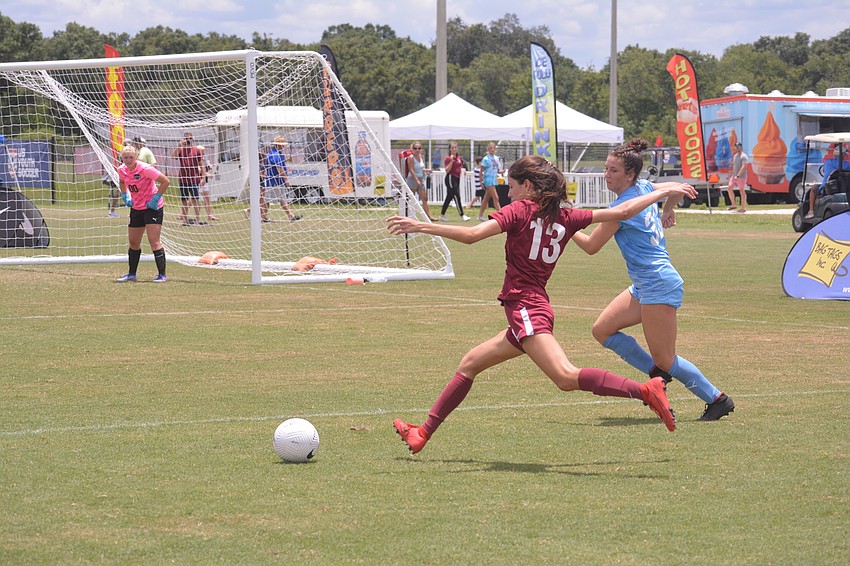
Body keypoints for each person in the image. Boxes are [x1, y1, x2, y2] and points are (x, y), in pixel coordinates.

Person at [388, 155, 700, 454]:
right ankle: (422, 433)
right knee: (470, 363)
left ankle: (645, 390)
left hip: (525, 306)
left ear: (527, 186)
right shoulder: (565, 215)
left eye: (511, 187)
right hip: (532, 306)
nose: (508, 194)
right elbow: (621, 212)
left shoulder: (521, 210)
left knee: (565, 377)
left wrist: (423, 226)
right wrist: (664, 191)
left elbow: (472, 235)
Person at [570, 138, 735, 421]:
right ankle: (657, 376)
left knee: (666, 358)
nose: (607, 175)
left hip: (658, 283)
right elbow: (679, 188)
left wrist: (566, 223)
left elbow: (590, 247)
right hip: (645, 284)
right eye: (606, 169)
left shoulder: (622, 208)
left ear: (630, 175)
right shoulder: (643, 189)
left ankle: (718, 399)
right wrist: (669, 207)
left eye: (613, 171)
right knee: (602, 330)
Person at [115, 144, 170, 283]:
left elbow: (165, 181)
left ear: (136, 157)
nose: (128, 160)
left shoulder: (145, 168)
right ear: (122, 158)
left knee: (154, 241)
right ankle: (131, 274)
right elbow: (122, 181)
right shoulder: (121, 169)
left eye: (131, 157)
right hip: (136, 207)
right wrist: (125, 195)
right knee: (133, 242)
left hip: (152, 207)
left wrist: (155, 198)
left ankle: (162, 275)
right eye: (125, 157)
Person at [261, 136, 302, 222]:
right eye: (281, 145)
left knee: (278, 199)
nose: (283, 147)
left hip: (271, 180)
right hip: (276, 181)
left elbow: (268, 166)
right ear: (278, 145)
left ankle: (290, 216)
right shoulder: (277, 155)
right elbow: (279, 169)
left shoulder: (270, 153)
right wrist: (286, 179)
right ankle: (261, 216)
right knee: (269, 200)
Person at [171, 131, 205, 226]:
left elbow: (201, 164)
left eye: (190, 138)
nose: (188, 140)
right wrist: (179, 145)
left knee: (195, 199)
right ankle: (185, 220)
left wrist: (203, 177)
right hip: (183, 178)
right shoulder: (181, 150)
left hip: (194, 178)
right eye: (186, 138)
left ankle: (197, 220)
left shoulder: (196, 150)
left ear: (192, 139)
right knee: (184, 200)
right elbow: (173, 156)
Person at [404, 142, 437, 221]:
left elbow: (420, 168)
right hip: (412, 179)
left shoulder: (420, 157)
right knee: (412, 199)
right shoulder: (411, 157)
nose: (417, 150)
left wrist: (426, 170)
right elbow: (411, 169)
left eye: (419, 148)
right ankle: (409, 216)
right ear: (412, 149)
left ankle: (429, 217)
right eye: (415, 148)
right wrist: (416, 180)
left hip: (420, 178)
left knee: (424, 198)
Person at [439, 142, 470, 221]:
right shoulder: (448, 158)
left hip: (457, 178)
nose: (454, 149)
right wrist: (451, 161)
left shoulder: (459, 158)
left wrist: (463, 170)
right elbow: (447, 170)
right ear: (450, 149)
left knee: (449, 197)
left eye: (455, 148)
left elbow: (460, 166)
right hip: (450, 178)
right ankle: (462, 215)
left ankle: (442, 215)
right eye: (452, 148)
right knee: (456, 196)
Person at [477, 142, 504, 221]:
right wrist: (481, 181)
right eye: (490, 148)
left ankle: (480, 215)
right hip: (488, 180)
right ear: (488, 149)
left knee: (486, 198)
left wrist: (503, 171)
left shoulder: (496, 158)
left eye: (493, 148)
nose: (492, 150)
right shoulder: (486, 159)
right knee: (496, 197)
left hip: (494, 179)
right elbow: (481, 170)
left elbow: (498, 170)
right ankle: (501, 215)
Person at [195, 145, 219, 222]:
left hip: (204, 181)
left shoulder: (204, 159)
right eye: (202, 151)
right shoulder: (195, 159)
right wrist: (207, 174)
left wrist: (211, 166)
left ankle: (209, 215)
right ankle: (183, 213)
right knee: (193, 199)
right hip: (197, 180)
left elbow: (208, 166)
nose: (203, 152)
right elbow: (198, 169)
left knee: (207, 198)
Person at [726, 142, 748, 212]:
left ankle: (743, 207)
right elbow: (734, 165)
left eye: (738, 147)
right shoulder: (735, 156)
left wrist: (738, 175)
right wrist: (732, 173)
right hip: (734, 176)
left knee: (741, 191)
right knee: (729, 188)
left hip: (741, 176)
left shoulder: (743, 156)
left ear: (741, 147)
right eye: (736, 147)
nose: (737, 148)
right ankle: (733, 204)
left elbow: (743, 167)